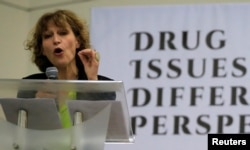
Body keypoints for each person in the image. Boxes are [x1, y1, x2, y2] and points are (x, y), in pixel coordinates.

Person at [18, 9, 115, 128]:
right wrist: (36, 106)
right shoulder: (30, 87)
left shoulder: (104, 87)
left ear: (77, 42)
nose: (56, 40)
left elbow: (103, 128)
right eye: (48, 36)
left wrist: (91, 81)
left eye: (63, 33)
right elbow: (21, 133)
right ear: (42, 49)